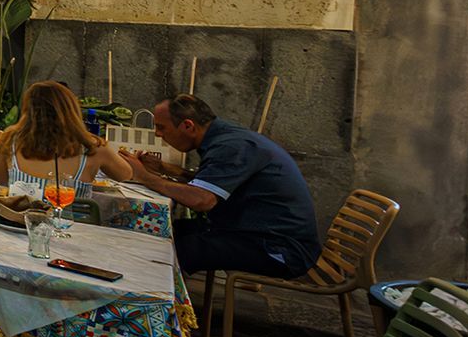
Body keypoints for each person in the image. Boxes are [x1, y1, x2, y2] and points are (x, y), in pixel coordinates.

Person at [122, 93, 322, 279]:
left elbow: (202, 199)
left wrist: (144, 177)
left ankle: (155, 307)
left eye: (162, 127)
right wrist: (165, 168)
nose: (158, 134)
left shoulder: (231, 146)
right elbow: (213, 182)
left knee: (184, 248)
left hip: (280, 248)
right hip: (252, 232)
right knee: (163, 227)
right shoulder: (224, 137)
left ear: (188, 126)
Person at [0, 81, 134, 193]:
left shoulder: (10, 140)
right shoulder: (93, 147)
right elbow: (125, 175)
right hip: (75, 227)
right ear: (71, 109)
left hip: (20, 222)